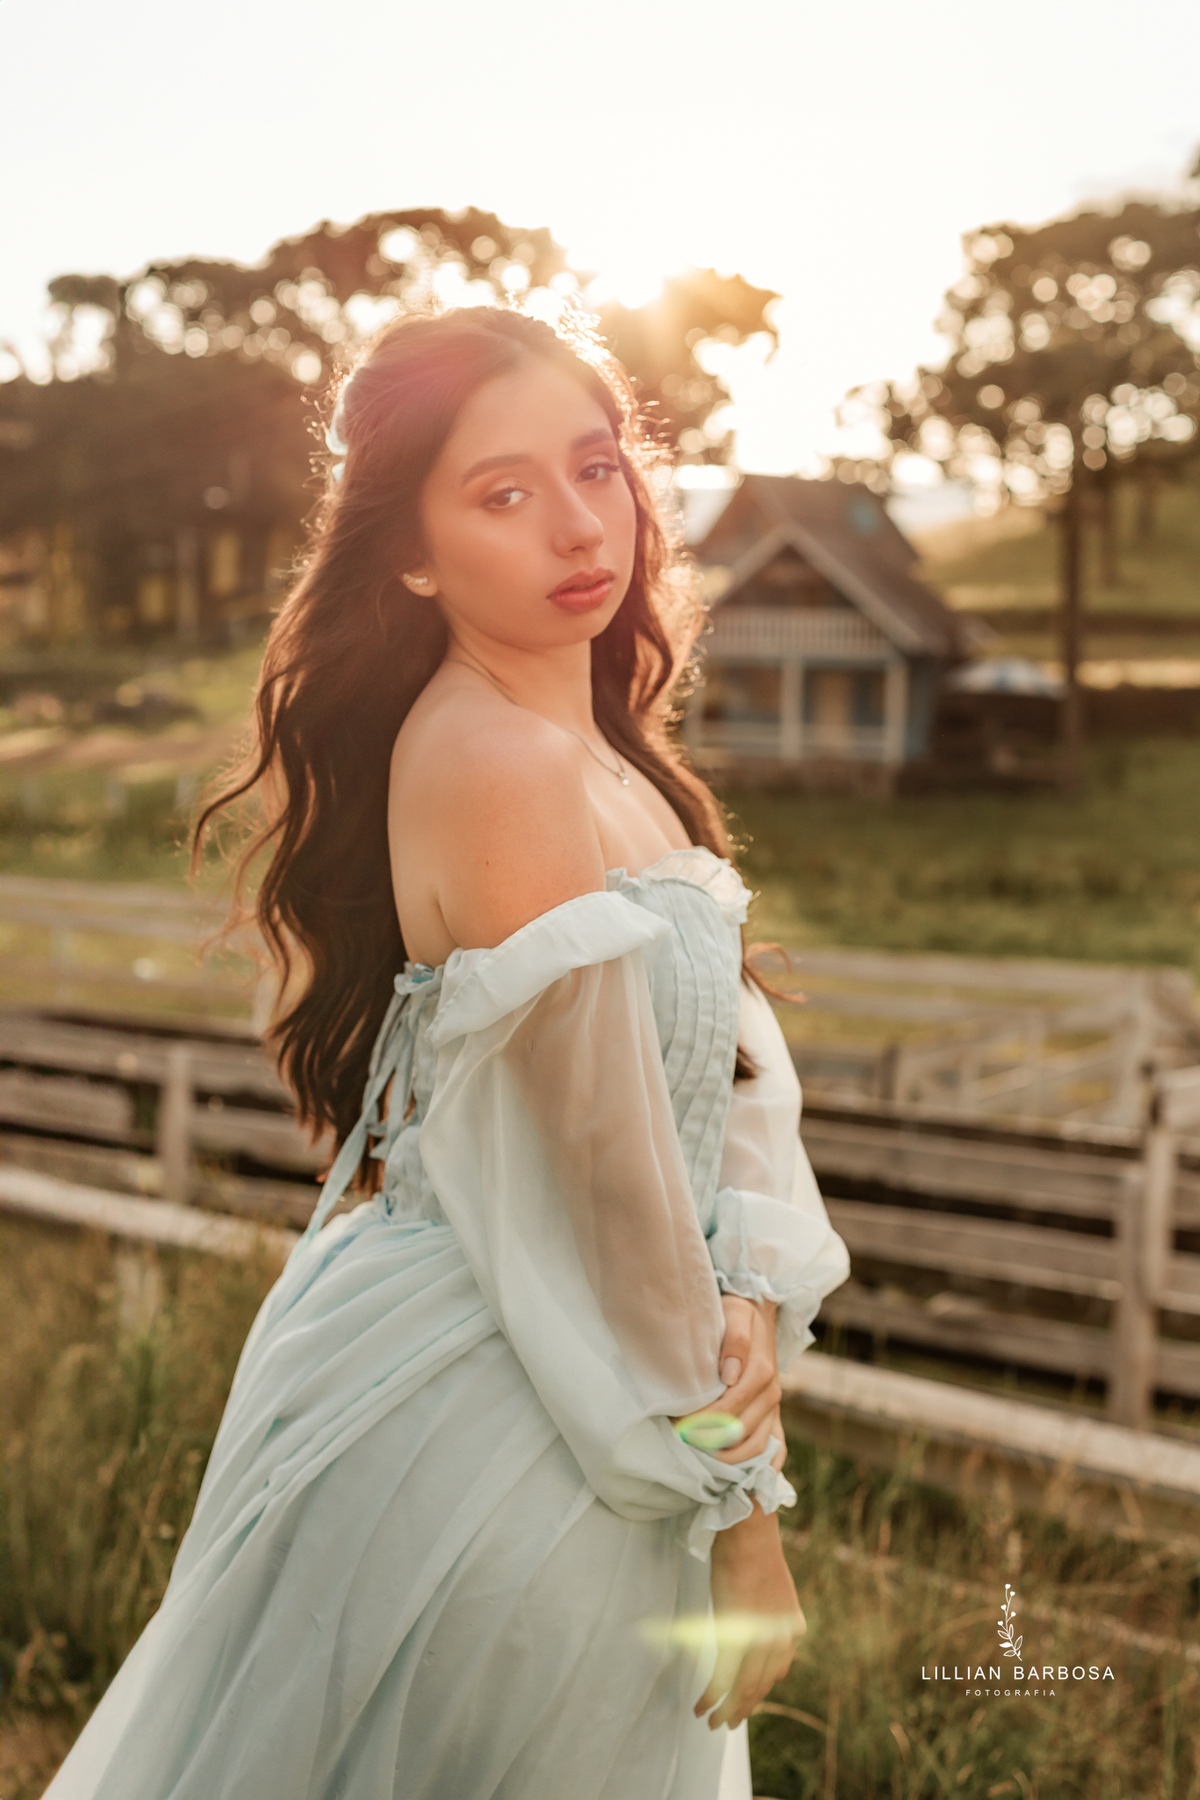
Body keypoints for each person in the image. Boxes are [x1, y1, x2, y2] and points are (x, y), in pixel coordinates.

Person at [42, 305, 849, 1800]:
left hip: (621, 1350)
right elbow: (604, 1170)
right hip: (495, 1396)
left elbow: (725, 1083)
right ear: (410, 551)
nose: (575, 524)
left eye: (597, 469)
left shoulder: (615, 756)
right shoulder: (498, 760)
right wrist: (741, 1510)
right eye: (503, 493)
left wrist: (741, 1283)